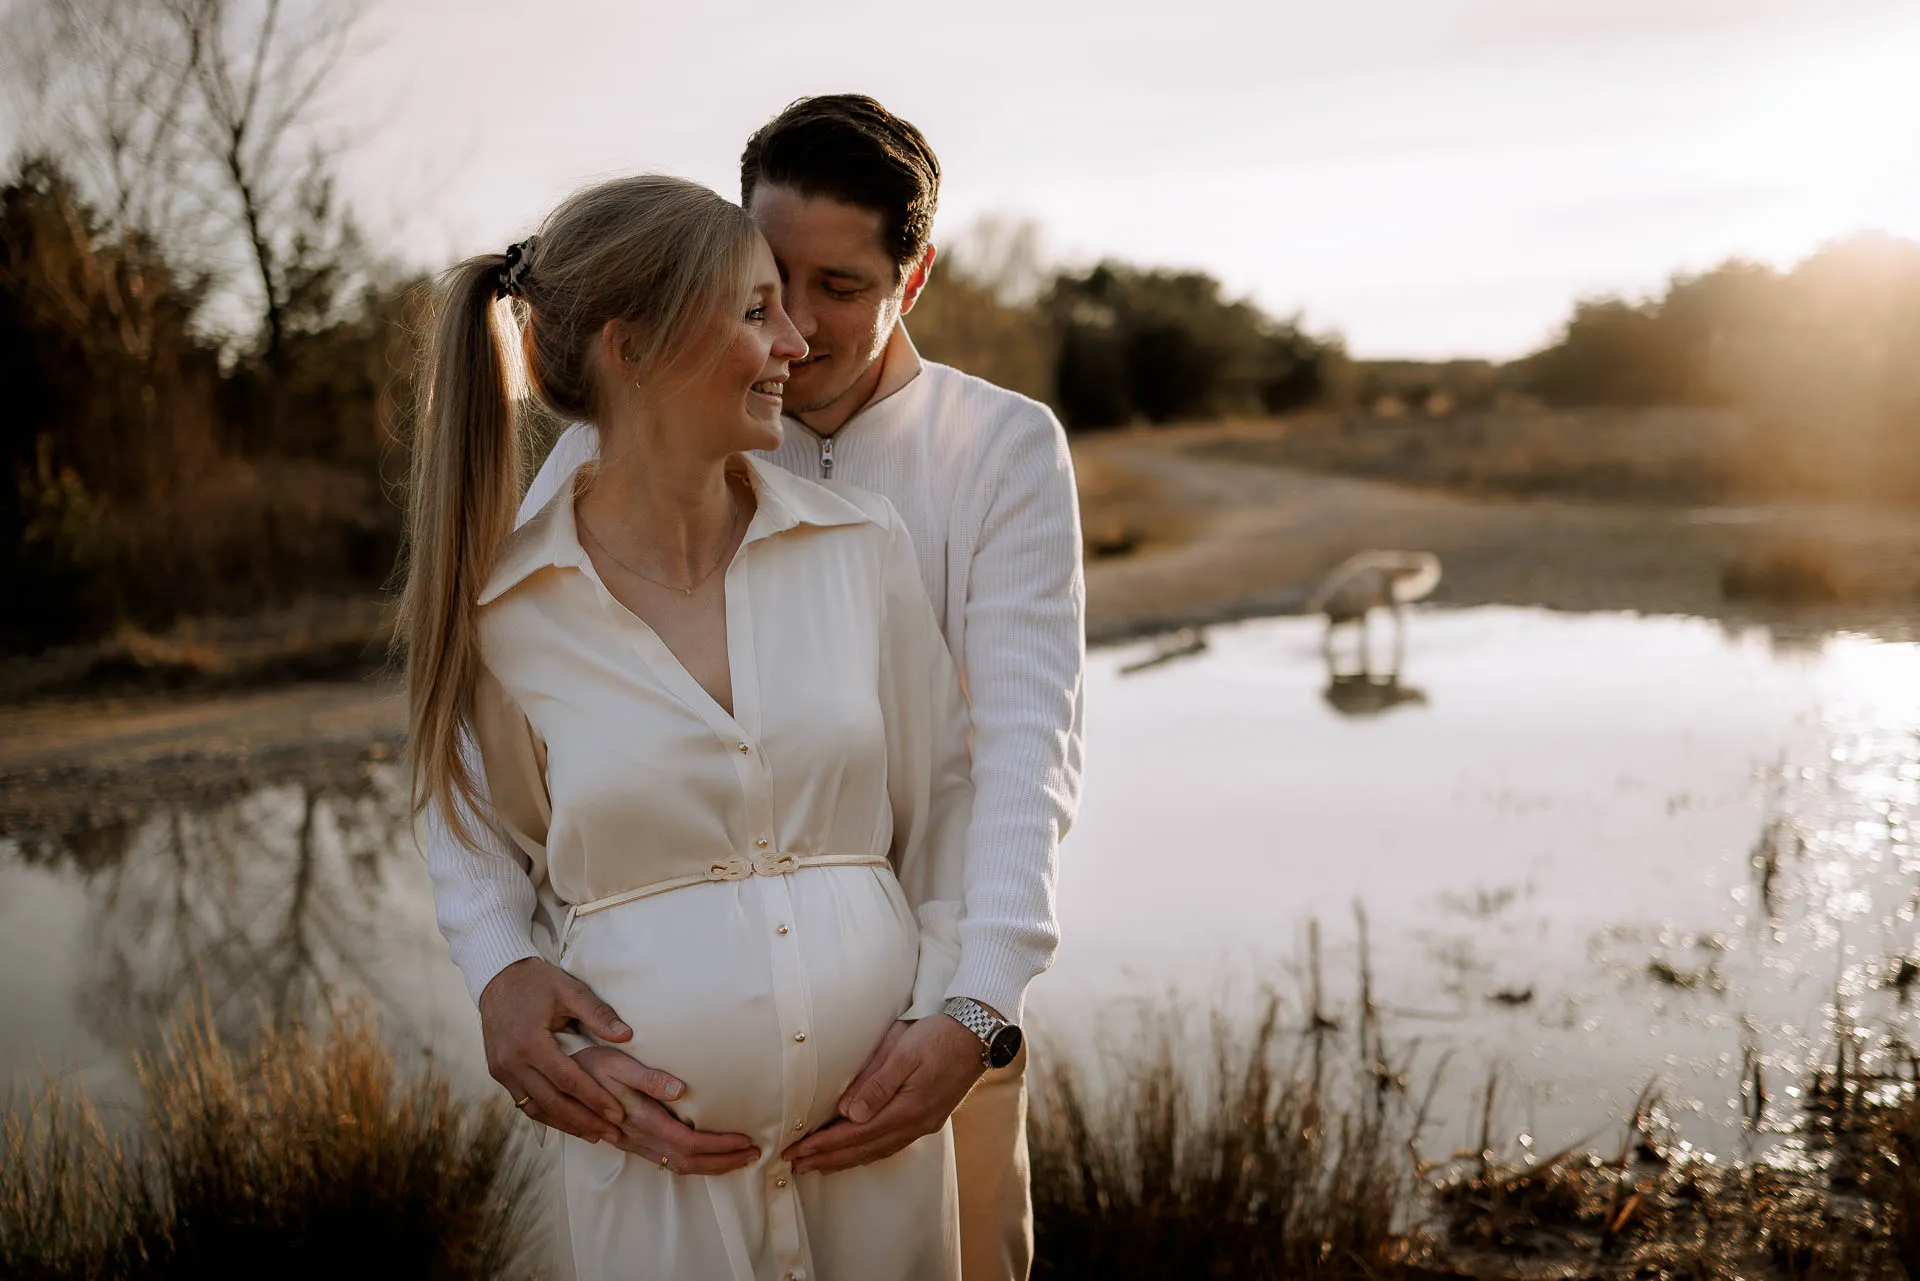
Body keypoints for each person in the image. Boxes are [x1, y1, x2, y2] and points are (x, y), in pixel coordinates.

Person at [424, 96, 1086, 1281]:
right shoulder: (617, 447)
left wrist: (975, 1007)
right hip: (675, 1158)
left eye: (837, 286)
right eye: (766, 278)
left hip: (935, 1032)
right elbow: (479, 738)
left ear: (913, 277)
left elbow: (1017, 759)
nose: (799, 325)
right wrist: (498, 964)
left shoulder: (997, 449)